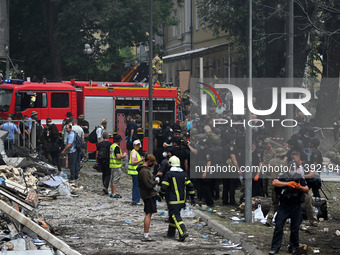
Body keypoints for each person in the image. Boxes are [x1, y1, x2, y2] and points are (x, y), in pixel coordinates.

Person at [269, 162, 309, 255]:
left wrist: (299, 187)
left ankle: (294, 247)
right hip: (284, 205)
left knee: (295, 228)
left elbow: (306, 189)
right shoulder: (283, 175)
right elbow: (274, 182)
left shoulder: (299, 177)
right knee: (279, 226)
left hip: (296, 205)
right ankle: (275, 247)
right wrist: (288, 184)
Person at [160, 156, 196, 242]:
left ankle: (183, 231)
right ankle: (171, 233)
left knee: (175, 216)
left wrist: (160, 195)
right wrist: (193, 198)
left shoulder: (169, 174)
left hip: (172, 200)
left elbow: (164, 187)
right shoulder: (184, 174)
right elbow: (190, 186)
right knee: (174, 216)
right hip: (181, 200)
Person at [137, 154, 159, 241]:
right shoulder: (144, 171)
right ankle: (146, 235)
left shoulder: (143, 170)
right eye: (152, 162)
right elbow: (148, 185)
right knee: (148, 214)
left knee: (148, 213)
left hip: (146, 194)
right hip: (148, 195)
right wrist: (156, 182)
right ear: (149, 161)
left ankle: (146, 234)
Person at [128, 139, 145, 205]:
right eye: (136, 145)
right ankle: (136, 200)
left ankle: (135, 200)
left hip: (135, 172)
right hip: (135, 172)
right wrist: (141, 160)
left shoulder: (134, 152)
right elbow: (133, 162)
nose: (138, 146)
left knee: (136, 186)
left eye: (138, 145)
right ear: (134, 145)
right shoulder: (134, 152)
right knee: (136, 186)